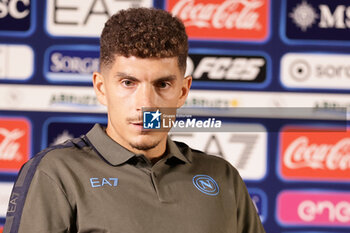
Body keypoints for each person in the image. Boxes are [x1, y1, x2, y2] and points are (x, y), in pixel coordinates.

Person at [4, 8, 266, 233]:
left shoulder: (222, 177)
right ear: (101, 87)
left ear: (183, 91)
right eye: (128, 83)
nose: (146, 104)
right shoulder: (56, 173)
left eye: (162, 84)